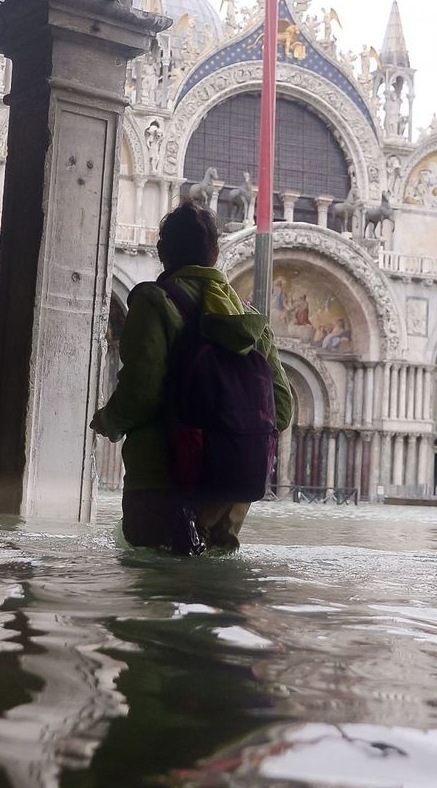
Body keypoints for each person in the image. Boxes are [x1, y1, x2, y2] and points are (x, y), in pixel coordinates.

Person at [92, 202, 292, 553]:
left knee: (153, 586)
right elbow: (283, 410)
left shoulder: (155, 303)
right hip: (228, 487)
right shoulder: (251, 322)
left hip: (162, 478)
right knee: (214, 589)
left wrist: (109, 420)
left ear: (162, 252)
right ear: (214, 253)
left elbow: (142, 391)